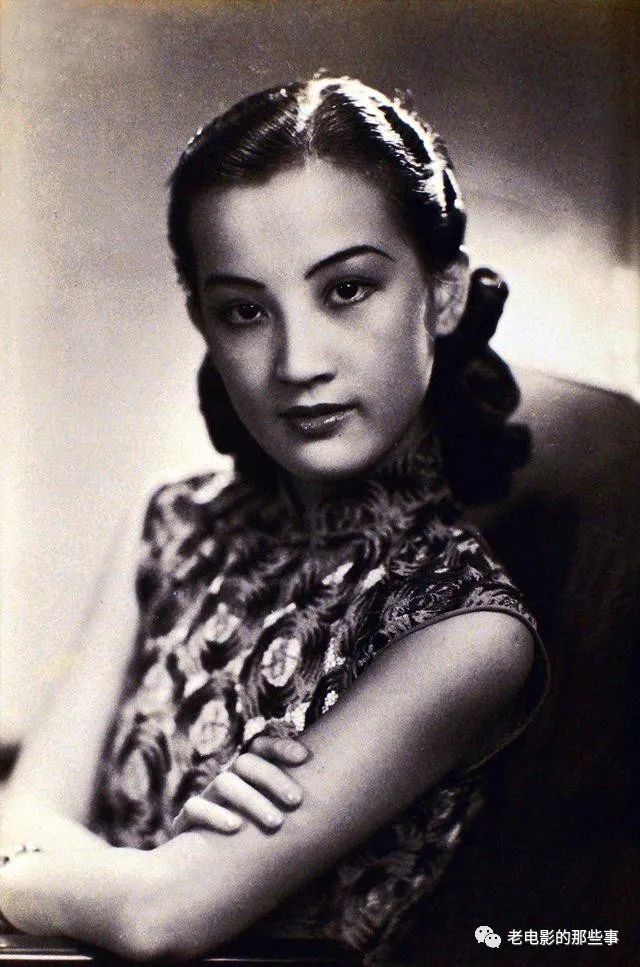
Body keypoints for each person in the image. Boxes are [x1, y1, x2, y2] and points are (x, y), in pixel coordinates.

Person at [0, 77, 549, 963]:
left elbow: (160, 919)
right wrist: (117, 878)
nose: (297, 363)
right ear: (204, 324)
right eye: (246, 311)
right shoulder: (174, 524)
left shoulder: (464, 630)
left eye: (347, 290)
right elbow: (24, 810)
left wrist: (33, 880)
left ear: (442, 296)